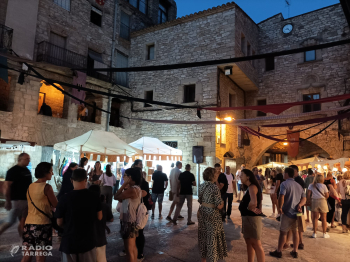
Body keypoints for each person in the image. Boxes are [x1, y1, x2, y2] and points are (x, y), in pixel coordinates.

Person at [56, 168, 103, 262]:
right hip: (88, 240)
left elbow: (59, 222)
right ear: (86, 179)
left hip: (69, 241)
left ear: (71, 180)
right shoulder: (94, 196)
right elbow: (99, 217)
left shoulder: (64, 198)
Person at [21, 162, 58, 262]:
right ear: (45, 173)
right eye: (51, 171)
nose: (52, 174)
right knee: (40, 258)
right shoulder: (47, 188)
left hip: (29, 225)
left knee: (26, 257)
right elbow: (56, 205)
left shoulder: (30, 187)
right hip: (43, 225)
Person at [270, 168, 306, 259]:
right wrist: (300, 205)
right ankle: (295, 251)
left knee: (283, 232)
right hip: (296, 213)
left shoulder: (284, 184)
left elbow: (281, 196)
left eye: (283, 173)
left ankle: (279, 251)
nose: (282, 174)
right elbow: (304, 198)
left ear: (286, 174)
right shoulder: (298, 185)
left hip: (287, 212)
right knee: (295, 232)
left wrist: (280, 207)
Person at [115, 168, 146, 262]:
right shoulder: (135, 188)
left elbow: (116, 196)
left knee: (129, 249)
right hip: (131, 220)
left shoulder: (132, 189)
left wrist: (124, 184)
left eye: (125, 175)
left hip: (129, 222)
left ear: (130, 177)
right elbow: (121, 200)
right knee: (132, 248)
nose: (123, 177)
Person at [198, 167, 227, 262]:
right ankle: (213, 259)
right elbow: (219, 205)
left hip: (203, 212)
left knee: (203, 236)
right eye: (216, 174)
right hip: (212, 215)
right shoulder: (214, 187)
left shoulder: (201, 186)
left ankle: (203, 259)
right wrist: (222, 202)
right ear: (213, 176)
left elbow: (200, 200)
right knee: (212, 238)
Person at [0, 153, 32, 236]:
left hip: (25, 200)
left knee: (23, 222)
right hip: (15, 200)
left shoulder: (27, 170)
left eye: (29, 159)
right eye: (26, 159)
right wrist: (8, 201)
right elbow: (6, 187)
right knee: (9, 222)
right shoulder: (12, 171)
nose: (28, 161)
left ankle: (23, 242)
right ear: (20, 160)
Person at [239, 169, 265, 262]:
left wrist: (250, 207)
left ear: (248, 177)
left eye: (242, 175)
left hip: (252, 219)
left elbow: (254, 202)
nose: (240, 177)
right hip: (248, 218)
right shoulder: (250, 187)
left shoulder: (252, 187)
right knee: (249, 242)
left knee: (256, 244)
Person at [89, 185, 113, 262]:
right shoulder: (104, 205)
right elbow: (111, 219)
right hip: (100, 237)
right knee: (101, 258)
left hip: (88, 238)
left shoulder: (86, 205)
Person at [307, 174, 330, 238]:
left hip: (314, 201)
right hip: (322, 201)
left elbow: (308, 194)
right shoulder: (324, 186)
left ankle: (314, 233)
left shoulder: (311, 185)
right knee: (324, 218)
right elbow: (327, 195)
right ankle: (324, 233)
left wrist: (308, 201)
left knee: (315, 218)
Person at [136, 171, 151, 261]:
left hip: (140, 210)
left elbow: (145, 195)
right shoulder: (132, 185)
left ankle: (140, 252)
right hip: (133, 210)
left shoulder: (144, 184)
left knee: (140, 231)